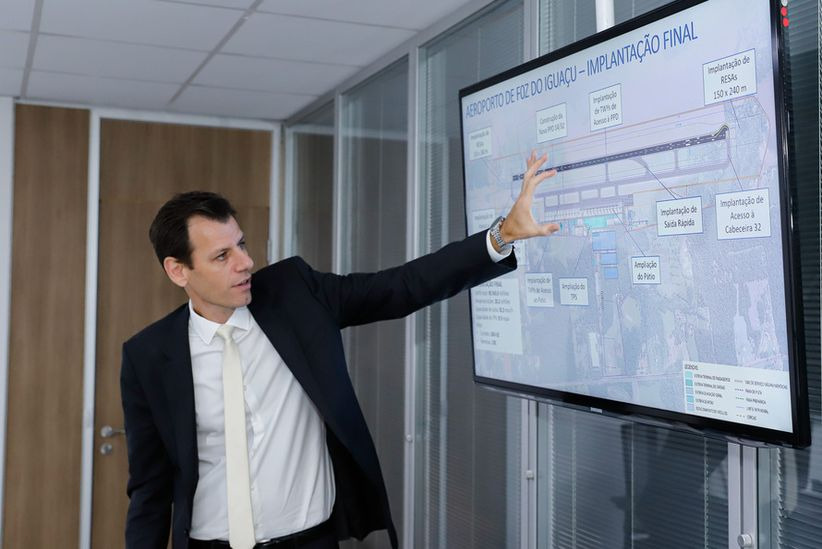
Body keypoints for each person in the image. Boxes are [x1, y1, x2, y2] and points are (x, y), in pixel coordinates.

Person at [121, 152, 559, 549]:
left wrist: (501, 234)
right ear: (178, 271)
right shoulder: (147, 357)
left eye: (242, 244)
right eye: (222, 256)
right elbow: (149, 489)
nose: (245, 262)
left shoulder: (295, 294)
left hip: (311, 540)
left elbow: (400, 287)